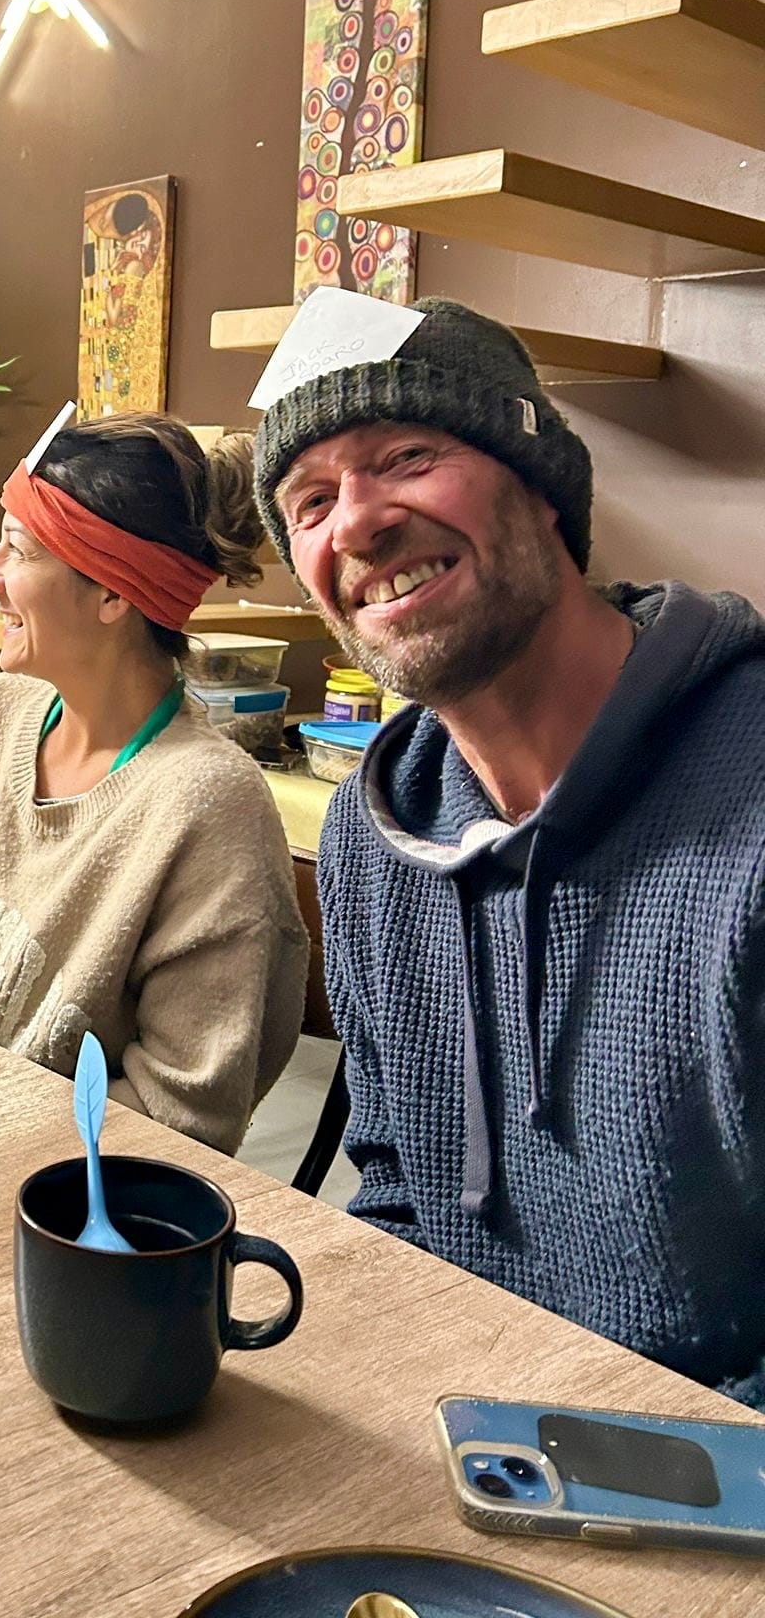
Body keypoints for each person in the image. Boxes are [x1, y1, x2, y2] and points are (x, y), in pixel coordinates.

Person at [252, 294, 765, 1399]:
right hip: (475, 1439)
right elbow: (397, 1192)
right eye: (311, 502)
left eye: (408, 456)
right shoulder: (373, 840)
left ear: (542, 483)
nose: (357, 525)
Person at [0, 412, 309, 1154]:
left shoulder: (207, 807)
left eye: (17, 549)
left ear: (113, 593)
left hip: (37, 1197)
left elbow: (179, 1117)